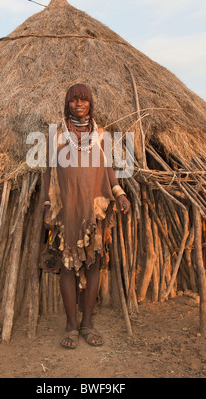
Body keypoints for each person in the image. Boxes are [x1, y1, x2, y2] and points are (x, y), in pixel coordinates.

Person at [43, 83, 130, 349]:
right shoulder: (56, 134)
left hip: (95, 210)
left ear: (91, 104)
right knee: (68, 264)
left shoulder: (101, 134)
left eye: (84, 100)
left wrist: (120, 194)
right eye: (73, 100)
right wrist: (48, 204)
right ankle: (70, 325)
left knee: (93, 264)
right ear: (66, 104)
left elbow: (108, 170)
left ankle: (87, 324)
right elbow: (49, 172)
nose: (79, 104)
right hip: (67, 210)